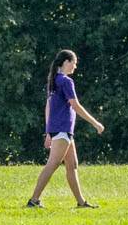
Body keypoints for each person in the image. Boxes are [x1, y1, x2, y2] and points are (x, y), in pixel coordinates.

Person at [27, 49, 105, 209]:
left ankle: (81, 202)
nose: (75, 67)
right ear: (66, 62)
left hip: (61, 130)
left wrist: (49, 131)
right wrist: (95, 123)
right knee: (53, 164)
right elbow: (75, 105)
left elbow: (48, 107)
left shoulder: (54, 80)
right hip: (63, 129)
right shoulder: (66, 81)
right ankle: (33, 200)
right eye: (74, 63)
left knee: (72, 165)